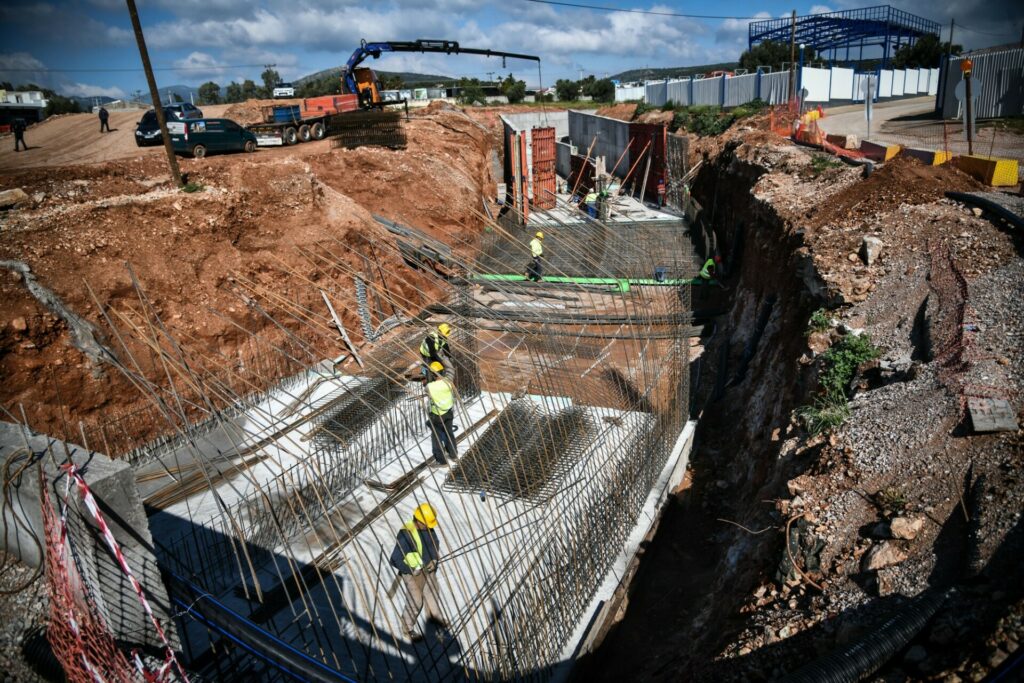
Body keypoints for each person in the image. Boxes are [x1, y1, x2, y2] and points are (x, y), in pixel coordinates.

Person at [389, 503, 447, 642]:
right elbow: (394, 559)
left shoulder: (427, 528)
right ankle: (407, 628)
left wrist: (433, 559)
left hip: (428, 568)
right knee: (416, 600)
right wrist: (411, 570)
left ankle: (435, 620)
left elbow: (434, 542)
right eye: (427, 524)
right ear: (419, 521)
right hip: (412, 572)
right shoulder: (407, 534)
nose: (429, 527)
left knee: (432, 592)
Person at [426, 362, 457, 467]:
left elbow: (428, 391)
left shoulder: (430, 386)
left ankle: (441, 461)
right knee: (449, 433)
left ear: (432, 374)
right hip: (449, 412)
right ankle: (453, 454)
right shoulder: (448, 382)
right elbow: (451, 370)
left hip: (437, 416)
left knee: (437, 438)